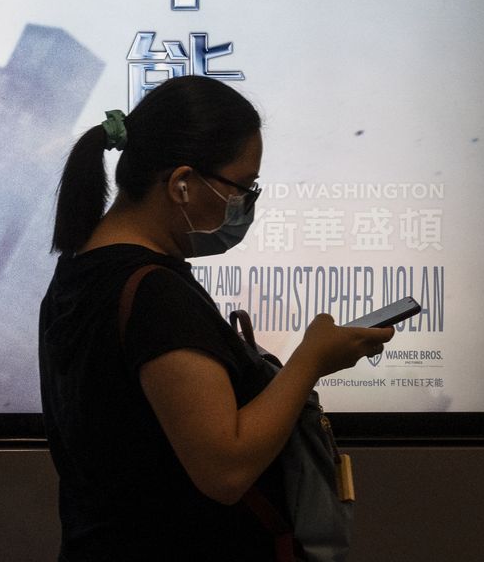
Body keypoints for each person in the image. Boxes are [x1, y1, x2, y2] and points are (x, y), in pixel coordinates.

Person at [38, 75, 392, 559]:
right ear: (182, 184)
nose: (246, 204)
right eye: (243, 186)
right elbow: (225, 469)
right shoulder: (154, 294)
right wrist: (309, 360)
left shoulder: (80, 271)